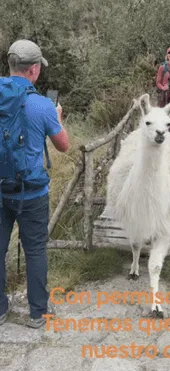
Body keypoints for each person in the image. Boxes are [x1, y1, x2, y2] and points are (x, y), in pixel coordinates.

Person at [0, 39, 70, 329]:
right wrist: (58, 119)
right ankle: (37, 313)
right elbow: (63, 145)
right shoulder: (42, 105)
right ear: (34, 70)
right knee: (36, 251)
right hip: (32, 192)